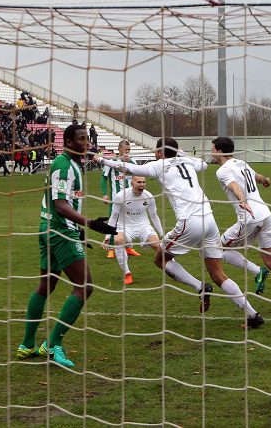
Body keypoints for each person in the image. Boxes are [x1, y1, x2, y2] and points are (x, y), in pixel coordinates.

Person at [93, 137, 264, 328]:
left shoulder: (158, 165)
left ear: (159, 152)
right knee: (217, 273)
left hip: (189, 222)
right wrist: (181, 154)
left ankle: (199, 287)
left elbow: (129, 169)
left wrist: (101, 160)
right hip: (209, 219)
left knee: (160, 259)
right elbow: (204, 165)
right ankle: (252, 315)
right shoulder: (188, 161)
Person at [16, 124, 117, 368]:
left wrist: (79, 228)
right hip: (59, 232)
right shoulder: (64, 166)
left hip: (49, 227)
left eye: (87, 138)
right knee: (84, 287)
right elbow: (60, 204)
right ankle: (52, 344)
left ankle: (27, 344)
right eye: (81, 139)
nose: (87, 142)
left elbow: (63, 204)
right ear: (69, 142)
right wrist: (90, 224)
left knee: (46, 286)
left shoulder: (71, 164)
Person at [211, 136, 271, 310]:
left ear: (219, 151)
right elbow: (256, 176)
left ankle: (257, 272)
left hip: (250, 216)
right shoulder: (241, 163)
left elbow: (234, 186)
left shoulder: (223, 170)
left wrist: (242, 200)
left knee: (218, 249)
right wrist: (265, 180)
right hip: (265, 214)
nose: (211, 152)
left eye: (212, 149)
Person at [107, 176, 164, 285]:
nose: (142, 184)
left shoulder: (149, 196)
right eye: (139, 182)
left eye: (144, 182)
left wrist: (162, 233)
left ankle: (171, 267)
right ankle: (127, 273)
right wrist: (108, 235)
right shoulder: (120, 196)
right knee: (118, 241)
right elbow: (114, 217)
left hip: (143, 225)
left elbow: (154, 215)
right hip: (125, 226)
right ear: (132, 184)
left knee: (158, 245)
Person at [100, 140, 140, 258]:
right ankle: (111, 248)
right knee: (114, 222)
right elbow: (103, 178)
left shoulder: (133, 162)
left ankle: (128, 247)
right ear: (119, 150)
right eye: (125, 150)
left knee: (129, 221)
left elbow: (138, 177)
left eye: (128, 150)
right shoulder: (112, 162)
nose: (127, 152)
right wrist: (104, 194)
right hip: (115, 199)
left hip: (130, 199)